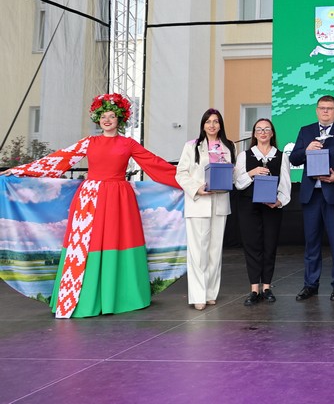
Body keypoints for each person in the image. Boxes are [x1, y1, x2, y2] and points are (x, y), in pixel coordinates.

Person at [2, 93, 180, 318]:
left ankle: (120, 296)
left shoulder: (128, 144)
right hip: (90, 198)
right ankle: (84, 297)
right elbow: (59, 160)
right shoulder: (89, 142)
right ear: (98, 119)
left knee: (119, 240)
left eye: (112, 116)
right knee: (87, 244)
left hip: (119, 198)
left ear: (119, 119)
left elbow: (155, 164)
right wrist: (21, 170)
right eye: (103, 116)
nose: (107, 120)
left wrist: (189, 182)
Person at [288, 95, 334, 301]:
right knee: (312, 242)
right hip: (311, 195)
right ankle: (310, 284)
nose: (325, 111)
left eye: (329, 108)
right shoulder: (305, 131)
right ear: (317, 110)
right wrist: (306, 150)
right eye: (322, 108)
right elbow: (294, 158)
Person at [176, 108, 236, 311]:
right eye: (208, 121)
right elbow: (181, 173)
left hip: (220, 203)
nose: (212, 125)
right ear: (203, 125)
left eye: (216, 121)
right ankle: (198, 295)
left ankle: (210, 293)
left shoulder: (228, 146)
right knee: (198, 252)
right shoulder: (191, 146)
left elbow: (233, 173)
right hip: (198, 203)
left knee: (214, 251)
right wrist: (197, 188)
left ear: (220, 125)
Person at [233, 118, 291, 306]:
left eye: (267, 129)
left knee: (269, 245)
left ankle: (266, 287)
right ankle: (254, 289)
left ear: (272, 133)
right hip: (248, 207)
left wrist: (279, 201)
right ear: (254, 134)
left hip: (271, 207)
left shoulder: (281, 156)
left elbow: (285, 184)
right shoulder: (244, 155)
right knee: (252, 246)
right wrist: (253, 172)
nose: (263, 132)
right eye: (259, 129)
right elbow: (238, 183)